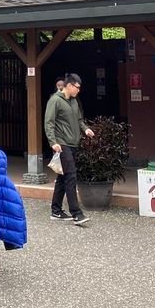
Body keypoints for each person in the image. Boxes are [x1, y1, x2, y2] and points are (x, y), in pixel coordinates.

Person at [44, 73, 95, 226]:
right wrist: (53, 142)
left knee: (62, 176)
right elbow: (49, 122)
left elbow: (79, 119)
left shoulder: (74, 102)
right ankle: (76, 213)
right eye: (77, 87)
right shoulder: (55, 101)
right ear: (69, 86)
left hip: (73, 143)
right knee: (71, 175)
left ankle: (56, 210)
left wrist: (86, 129)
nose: (79, 90)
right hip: (62, 144)